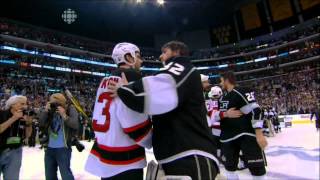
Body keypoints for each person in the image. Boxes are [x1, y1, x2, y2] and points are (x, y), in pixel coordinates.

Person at [108, 41, 240, 179]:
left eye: (164, 52)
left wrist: (126, 89)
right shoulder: (182, 74)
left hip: (189, 156)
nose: (160, 57)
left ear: (177, 52)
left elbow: (154, 93)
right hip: (180, 154)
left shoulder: (182, 66)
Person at [85, 42, 152, 180]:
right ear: (128, 57)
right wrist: (152, 141)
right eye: (138, 56)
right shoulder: (132, 79)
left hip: (105, 156)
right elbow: (134, 124)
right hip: (125, 161)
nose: (141, 60)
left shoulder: (104, 80)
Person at [212, 71, 267, 180]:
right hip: (227, 138)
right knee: (229, 169)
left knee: (256, 169)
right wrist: (226, 114)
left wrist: (259, 133)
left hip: (245, 136)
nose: (220, 83)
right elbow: (215, 116)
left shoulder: (242, 91)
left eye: (221, 80)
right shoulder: (223, 98)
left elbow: (256, 110)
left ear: (227, 80)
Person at [39, 93, 79, 180]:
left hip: (63, 149)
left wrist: (64, 115)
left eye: (56, 103)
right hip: (49, 149)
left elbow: (75, 124)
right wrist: (46, 111)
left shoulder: (70, 109)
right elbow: (41, 123)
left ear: (62, 102)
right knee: (49, 176)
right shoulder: (49, 111)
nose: (54, 105)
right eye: (52, 103)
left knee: (66, 175)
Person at [0, 95, 33, 180]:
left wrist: (28, 123)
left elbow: (28, 135)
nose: (24, 106)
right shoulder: (2, 114)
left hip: (15, 151)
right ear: (12, 104)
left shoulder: (23, 116)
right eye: (22, 103)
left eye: (25, 104)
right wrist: (13, 118)